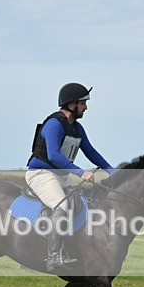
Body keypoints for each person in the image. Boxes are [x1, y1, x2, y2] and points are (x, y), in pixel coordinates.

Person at [26, 82, 116, 272]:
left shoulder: (76, 128)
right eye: (83, 103)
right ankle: (53, 258)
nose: (86, 107)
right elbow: (53, 155)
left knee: (83, 201)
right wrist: (81, 172)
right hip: (40, 174)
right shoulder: (53, 124)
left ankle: (74, 248)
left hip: (60, 175)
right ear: (72, 104)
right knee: (63, 204)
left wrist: (112, 171)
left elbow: (90, 152)